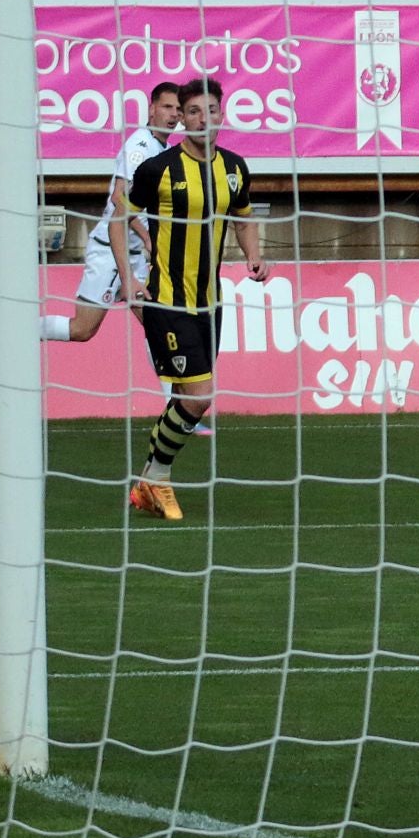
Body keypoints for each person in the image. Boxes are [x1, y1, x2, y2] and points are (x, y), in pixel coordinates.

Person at [124, 78, 269, 523]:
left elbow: (242, 218)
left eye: (212, 109)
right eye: (194, 111)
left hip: (210, 301)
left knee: (191, 396)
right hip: (167, 299)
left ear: (222, 115)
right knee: (200, 396)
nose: (204, 118)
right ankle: (158, 476)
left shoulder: (235, 168)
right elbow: (121, 216)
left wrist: (254, 255)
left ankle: (148, 482)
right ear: (182, 119)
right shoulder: (158, 168)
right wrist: (131, 276)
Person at [36, 84, 182, 349]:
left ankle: (176, 390)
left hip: (136, 257)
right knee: (82, 328)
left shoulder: (163, 148)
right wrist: (147, 236)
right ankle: (5, 331)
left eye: (178, 109)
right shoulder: (140, 149)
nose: (173, 114)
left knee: (161, 330)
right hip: (111, 254)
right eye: (167, 107)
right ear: (152, 110)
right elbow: (119, 198)